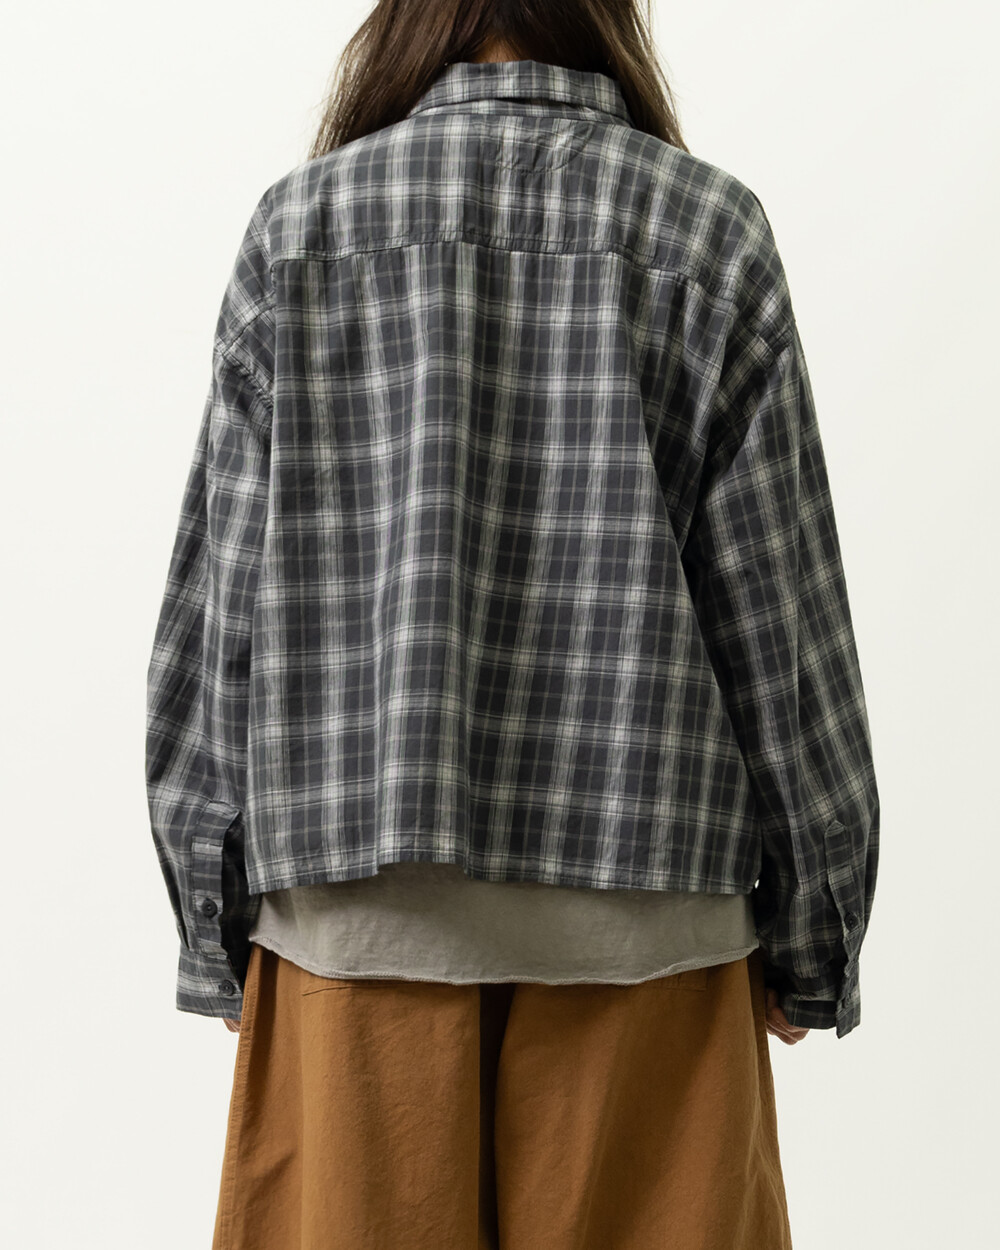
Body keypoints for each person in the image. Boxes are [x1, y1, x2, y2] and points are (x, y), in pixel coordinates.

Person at [145, 3, 879, 1246]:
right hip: (651, 938)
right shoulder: (708, 231)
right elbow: (783, 627)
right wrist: (817, 931)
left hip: (352, 939)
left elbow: (214, 635)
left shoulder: (300, 231)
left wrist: (210, 918)